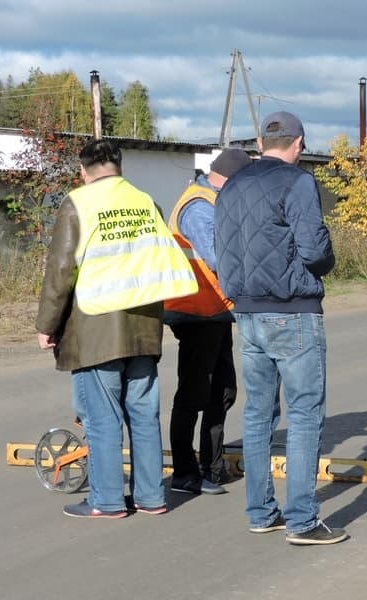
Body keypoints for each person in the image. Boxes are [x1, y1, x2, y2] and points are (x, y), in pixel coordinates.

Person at [36, 138, 196, 518]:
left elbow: (61, 270)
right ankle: (152, 497)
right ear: (120, 167)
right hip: (143, 327)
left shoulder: (78, 203)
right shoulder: (146, 202)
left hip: (96, 330)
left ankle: (107, 500)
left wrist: (47, 324)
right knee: (143, 414)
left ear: (83, 171)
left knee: (103, 417)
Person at [214, 111, 347, 545]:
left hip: (246, 312)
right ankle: (302, 519)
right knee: (305, 413)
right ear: (299, 143)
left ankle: (260, 511)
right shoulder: (298, 182)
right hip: (292, 310)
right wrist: (326, 262)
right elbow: (314, 248)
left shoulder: (232, 185)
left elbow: (222, 251)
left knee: (257, 414)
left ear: (259, 142)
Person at [164, 148, 252, 495]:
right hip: (195, 310)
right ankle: (186, 473)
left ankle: (212, 469)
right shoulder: (199, 206)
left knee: (222, 390)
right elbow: (218, 257)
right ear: (232, 180)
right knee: (194, 394)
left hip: (214, 310)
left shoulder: (213, 201)